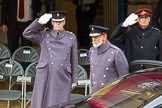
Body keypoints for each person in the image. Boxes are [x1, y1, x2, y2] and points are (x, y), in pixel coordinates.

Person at [23, 11, 78, 108]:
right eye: (55, 21)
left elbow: (74, 59)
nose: (58, 23)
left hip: (62, 76)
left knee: (60, 103)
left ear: (64, 22)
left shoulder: (71, 37)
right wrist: (39, 22)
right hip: (45, 74)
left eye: (60, 21)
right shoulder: (44, 35)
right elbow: (26, 33)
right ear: (52, 22)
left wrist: (74, 79)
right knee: (41, 103)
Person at [89, 25, 129, 93]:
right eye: (92, 37)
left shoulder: (116, 52)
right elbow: (92, 76)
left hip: (110, 94)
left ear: (104, 36)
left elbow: (124, 78)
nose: (94, 40)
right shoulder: (92, 51)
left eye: (96, 37)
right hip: (94, 93)